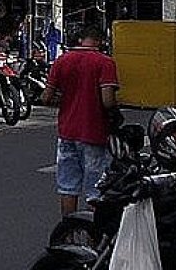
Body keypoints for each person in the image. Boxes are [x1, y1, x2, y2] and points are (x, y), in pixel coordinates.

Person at [41, 23, 120, 216]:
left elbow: (46, 98)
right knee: (96, 189)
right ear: (100, 42)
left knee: (68, 186)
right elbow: (107, 100)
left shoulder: (62, 61)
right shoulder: (105, 62)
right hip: (94, 133)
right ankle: (94, 237)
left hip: (67, 132)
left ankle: (69, 232)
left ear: (79, 40)